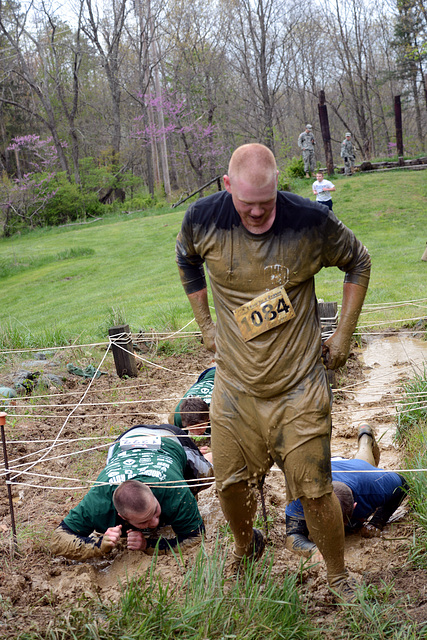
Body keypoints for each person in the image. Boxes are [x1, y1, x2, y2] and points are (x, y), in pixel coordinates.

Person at [175, 143, 371, 601]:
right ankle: (247, 549)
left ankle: (338, 575)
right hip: (235, 389)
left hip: (298, 386)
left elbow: (358, 261)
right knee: (229, 485)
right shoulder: (203, 220)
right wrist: (206, 326)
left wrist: (342, 334)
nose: (259, 213)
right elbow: (185, 258)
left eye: (267, 203)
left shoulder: (309, 222)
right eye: (248, 205)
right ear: (228, 187)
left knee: (316, 490)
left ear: (278, 188)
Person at [50, 424, 213, 561]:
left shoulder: (175, 493)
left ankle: (208, 454)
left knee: (209, 477)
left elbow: (196, 538)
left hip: (170, 439)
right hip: (124, 442)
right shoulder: (98, 502)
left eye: (156, 511)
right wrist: (99, 546)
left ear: (150, 491)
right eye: (144, 522)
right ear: (122, 517)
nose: (155, 523)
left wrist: (149, 546)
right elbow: (58, 540)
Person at [285, 424, 408, 558]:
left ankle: (366, 438)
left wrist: (377, 522)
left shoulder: (373, 487)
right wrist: (313, 551)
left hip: (356, 470)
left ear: (355, 506)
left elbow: (403, 485)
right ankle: (364, 437)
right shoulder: (303, 495)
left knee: (364, 461)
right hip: (323, 468)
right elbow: (292, 537)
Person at [168, 366, 216, 433]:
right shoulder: (179, 417)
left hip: (223, 375)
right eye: (191, 428)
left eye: (199, 428)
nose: (196, 434)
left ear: (209, 418)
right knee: (171, 419)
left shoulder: (217, 413)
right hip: (207, 376)